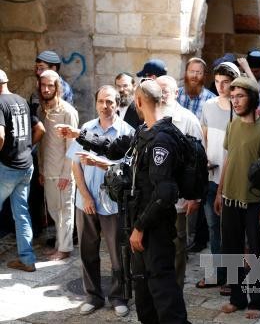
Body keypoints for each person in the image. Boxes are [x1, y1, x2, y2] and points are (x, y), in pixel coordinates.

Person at [56, 79, 190, 323]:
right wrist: (81, 136)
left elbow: (165, 194)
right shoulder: (144, 132)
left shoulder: (162, 140)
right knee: (143, 290)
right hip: (139, 223)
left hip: (154, 228)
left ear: (138, 102)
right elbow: (115, 147)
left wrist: (140, 228)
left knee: (163, 290)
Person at [214, 76, 260, 319]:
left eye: (240, 96)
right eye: (232, 97)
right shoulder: (232, 125)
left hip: (257, 202)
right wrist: (220, 192)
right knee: (231, 250)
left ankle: (258, 302)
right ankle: (237, 298)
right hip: (230, 199)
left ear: (252, 97)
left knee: (258, 253)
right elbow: (229, 159)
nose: (235, 101)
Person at [67, 85, 134, 316]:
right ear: (96, 104)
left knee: (118, 253)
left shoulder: (127, 132)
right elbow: (75, 164)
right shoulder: (85, 129)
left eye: (110, 102)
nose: (105, 106)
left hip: (114, 204)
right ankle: (93, 296)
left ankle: (119, 297)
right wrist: (85, 196)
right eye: (101, 102)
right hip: (86, 202)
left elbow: (128, 170)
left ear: (117, 104)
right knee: (87, 251)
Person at [195, 62, 240, 293]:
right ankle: (217, 274)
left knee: (231, 230)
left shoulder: (239, 108)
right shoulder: (208, 105)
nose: (221, 87)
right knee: (213, 228)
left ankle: (233, 278)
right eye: (218, 82)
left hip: (232, 180)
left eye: (226, 83)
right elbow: (203, 137)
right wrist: (203, 159)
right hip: (211, 177)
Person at [155, 75, 203, 290]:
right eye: (159, 89)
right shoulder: (150, 116)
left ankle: (176, 286)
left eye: (167, 89)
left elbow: (199, 161)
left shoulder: (188, 119)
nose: (163, 93)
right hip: (154, 195)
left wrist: (195, 196)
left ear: (176, 93)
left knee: (177, 244)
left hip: (178, 196)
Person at [0, 69, 44, 272]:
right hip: (26, 166)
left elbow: (0, 136)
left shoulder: (0, 104)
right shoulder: (20, 100)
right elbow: (40, 129)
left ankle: (26, 259)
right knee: (22, 214)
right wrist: (27, 148)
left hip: (7, 167)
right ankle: (27, 259)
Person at [38, 70, 78, 261]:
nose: (46, 89)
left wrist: (65, 173)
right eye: (43, 85)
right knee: (55, 212)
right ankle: (58, 245)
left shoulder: (68, 112)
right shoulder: (41, 110)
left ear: (58, 87)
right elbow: (41, 145)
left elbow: (73, 146)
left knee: (65, 211)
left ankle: (65, 248)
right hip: (48, 171)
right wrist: (41, 169)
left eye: (50, 85)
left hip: (63, 173)